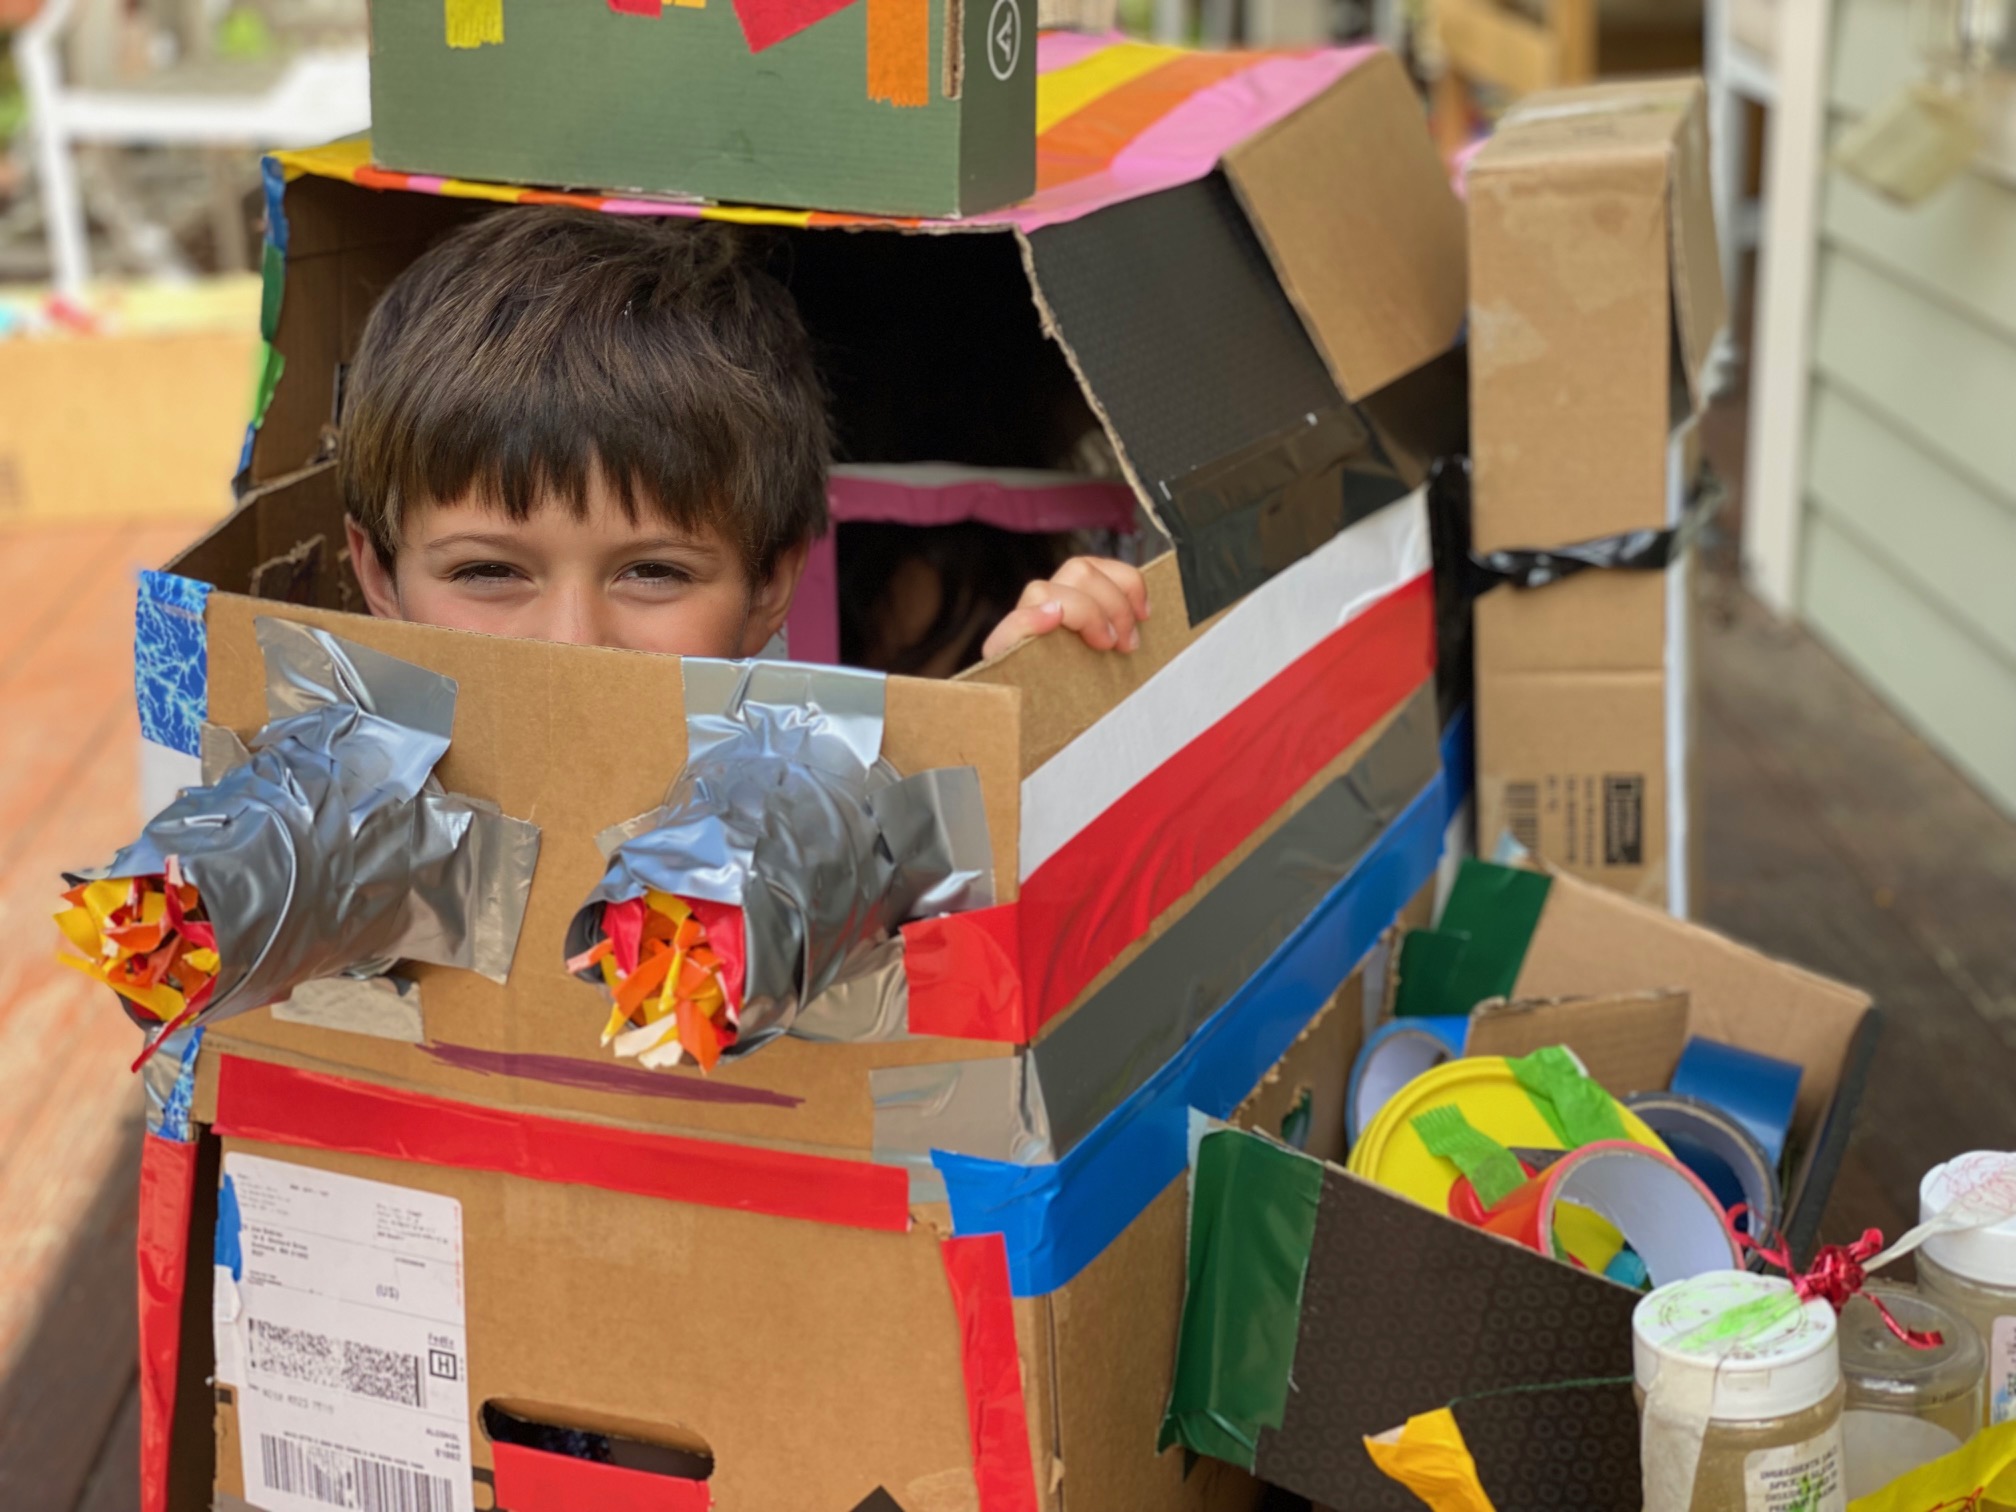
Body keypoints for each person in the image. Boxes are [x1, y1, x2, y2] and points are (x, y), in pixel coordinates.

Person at [338, 207, 1146, 667]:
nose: (574, 644)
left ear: (770, 586)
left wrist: (1016, 696)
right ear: (377, 571)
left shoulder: (797, 796)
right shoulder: (314, 815)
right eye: (487, 571)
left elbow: (911, 847)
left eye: (653, 572)